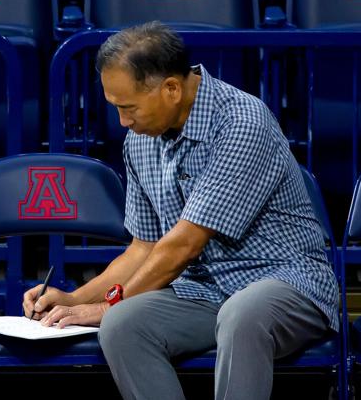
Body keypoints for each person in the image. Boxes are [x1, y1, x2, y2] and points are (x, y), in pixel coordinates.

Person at [22, 21, 339, 400]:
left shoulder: (241, 121)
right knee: (123, 324)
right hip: (203, 291)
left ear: (171, 89)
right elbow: (143, 248)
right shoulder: (139, 141)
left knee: (241, 314)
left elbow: (184, 244)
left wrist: (107, 305)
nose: (123, 121)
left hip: (285, 281)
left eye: (129, 107)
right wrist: (77, 300)